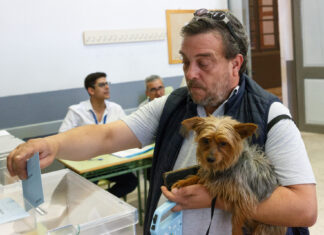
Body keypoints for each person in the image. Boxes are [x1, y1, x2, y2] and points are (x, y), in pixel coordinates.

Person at [7, 9, 317, 235]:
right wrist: (51, 143)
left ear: (235, 63)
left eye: (203, 63)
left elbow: (305, 209)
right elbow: (106, 137)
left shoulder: (269, 116)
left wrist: (219, 200)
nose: (190, 72)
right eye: (185, 61)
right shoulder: (171, 105)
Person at [59, 72, 137, 198]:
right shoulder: (77, 111)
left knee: (131, 181)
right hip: (87, 165)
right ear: (91, 90)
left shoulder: (115, 109)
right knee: (86, 189)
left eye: (107, 84)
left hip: (111, 163)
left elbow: (129, 130)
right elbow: (62, 136)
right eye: (102, 85)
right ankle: (97, 204)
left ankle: (105, 201)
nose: (107, 87)